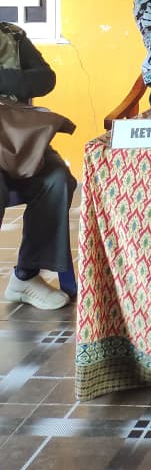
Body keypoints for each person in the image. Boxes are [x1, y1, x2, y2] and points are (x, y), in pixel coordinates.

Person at [1, 22, 77, 310]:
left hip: (17, 137)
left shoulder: (11, 35)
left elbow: (45, 78)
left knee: (57, 179)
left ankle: (26, 276)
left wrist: (6, 79)